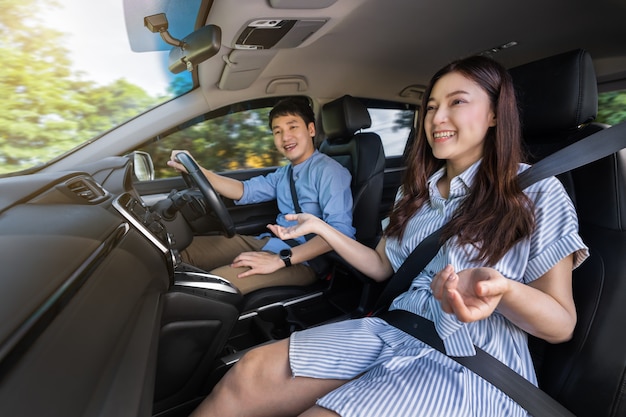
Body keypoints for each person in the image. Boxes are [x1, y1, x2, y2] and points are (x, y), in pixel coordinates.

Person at [188, 56, 589, 417]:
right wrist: (323, 228)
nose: (437, 118)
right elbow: (381, 266)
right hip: (392, 328)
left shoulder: (535, 191)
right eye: (431, 107)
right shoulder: (414, 193)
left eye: (457, 102)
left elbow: (561, 324)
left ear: (494, 115)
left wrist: (503, 292)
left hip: (472, 355)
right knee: (249, 373)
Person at [167, 97, 355, 294]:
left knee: (212, 287)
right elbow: (244, 190)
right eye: (277, 131)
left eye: (292, 127)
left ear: (311, 130)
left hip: (305, 261)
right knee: (180, 251)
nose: (285, 137)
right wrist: (197, 170)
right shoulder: (285, 173)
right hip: (268, 242)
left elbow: (340, 232)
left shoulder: (330, 171)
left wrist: (281, 259)